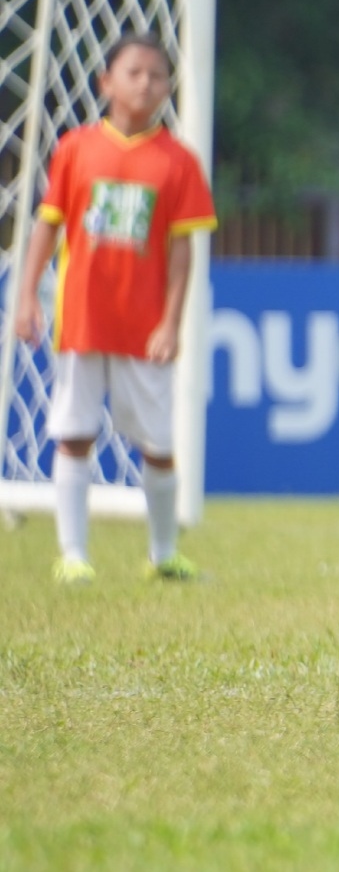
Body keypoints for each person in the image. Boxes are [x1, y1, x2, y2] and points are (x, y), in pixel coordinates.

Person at [13, 35, 218, 584]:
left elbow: (182, 251)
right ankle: (73, 554)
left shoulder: (178, 163)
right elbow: (48, 224)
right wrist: (26, 293)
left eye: (156, 75)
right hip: (83, 320)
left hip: (144, 326)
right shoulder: (76, 149)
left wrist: (172, 321)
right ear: (106, 82)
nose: (145, 83)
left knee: (158, 442)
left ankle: (163, 553)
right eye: (134, 72)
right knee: (74, 432)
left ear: (168, 87)